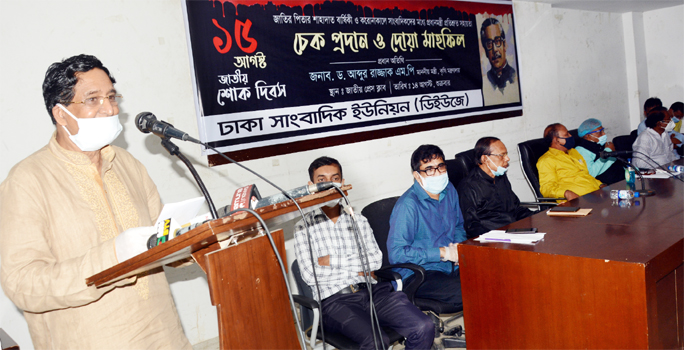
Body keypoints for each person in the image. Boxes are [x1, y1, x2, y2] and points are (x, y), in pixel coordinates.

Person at [0, 55, 191, 349]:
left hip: (163, 337)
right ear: (61, 114)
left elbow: (164, 242)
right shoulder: (26, 181)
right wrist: (112, 257)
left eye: (111, 97)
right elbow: (23, 284)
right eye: (93, 99)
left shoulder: (128, 164)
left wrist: (200, 236)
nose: (110, 108)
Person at [293, 157, 434, 350]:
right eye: (321, 181)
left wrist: (330, 261)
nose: (329, 185)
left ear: (342, 183)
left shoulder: (358, 220)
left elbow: (375, 261)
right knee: (376, 343)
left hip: (373, 292)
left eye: (335, 179)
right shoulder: (303, 226)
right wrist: (358, 269)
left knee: (423, 326)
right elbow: (311, 275)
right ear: (311, 186)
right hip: (336, 301)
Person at [387, 145, 466, 311]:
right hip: (420, 274)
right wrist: (442, 253)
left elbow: (458, 225)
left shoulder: (449, 189)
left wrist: (457, 247)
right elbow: (397, 253)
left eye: (441, 166)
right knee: (472, 291)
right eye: (429, 169)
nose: (437, 173)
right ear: (417, 175)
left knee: (492, 277)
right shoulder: (408, 205)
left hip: (451, 266)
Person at [457, 137, 535, 239]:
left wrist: (541, 216)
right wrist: (498, 237)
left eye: (506, 154)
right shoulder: (468, 187)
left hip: (513, 231)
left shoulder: (500, 177)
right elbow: (471, 226)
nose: (507, 158)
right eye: (502, 155)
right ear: (485, 159)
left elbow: (515, 209)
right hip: (493, 239)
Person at [537, 123, 603, 201]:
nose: (571, 136)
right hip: (576, 202)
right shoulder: (547, 160)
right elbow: (546, 188)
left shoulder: (573, 152)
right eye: (566, 135)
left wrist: (601, 184)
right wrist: (566, 193)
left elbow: (585, 175)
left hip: (595, 195)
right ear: (556, 140)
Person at [575, 118, 625, 185]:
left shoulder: (598, 145)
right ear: (587, 136)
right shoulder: (581, 150)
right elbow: (591, 173)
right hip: (607, 185)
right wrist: (607, 151)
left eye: (603, 130)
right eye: (600, 132)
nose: (604, 134)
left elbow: (612, 163)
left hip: (621, 177)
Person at [480, 18, 516, 93]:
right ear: (486, 51)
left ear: (504, 45)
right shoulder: (486, 81)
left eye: (497, 41)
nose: (495, 49)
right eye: (489, 44)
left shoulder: (515, 76)